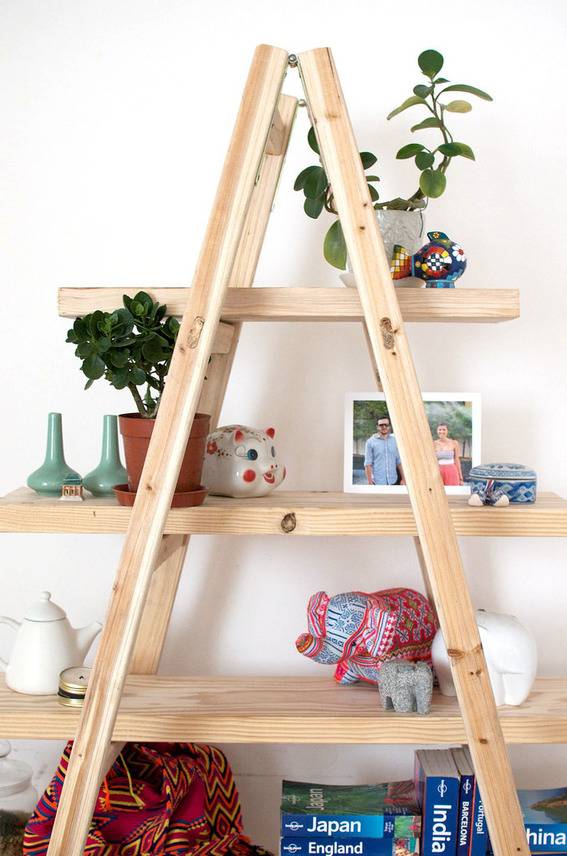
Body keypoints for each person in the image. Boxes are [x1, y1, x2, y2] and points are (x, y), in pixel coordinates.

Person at [364, 416, 404, 485]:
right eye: (381, 425)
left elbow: (399, 462)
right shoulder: (370, 442)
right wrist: (370, 482)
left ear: (389, 426)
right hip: (378, 482)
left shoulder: (395, 441)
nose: (384, 427)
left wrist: (403, 479)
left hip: (394, 481)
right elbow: (368, 464)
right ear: (377, 427)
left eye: (386, 425)